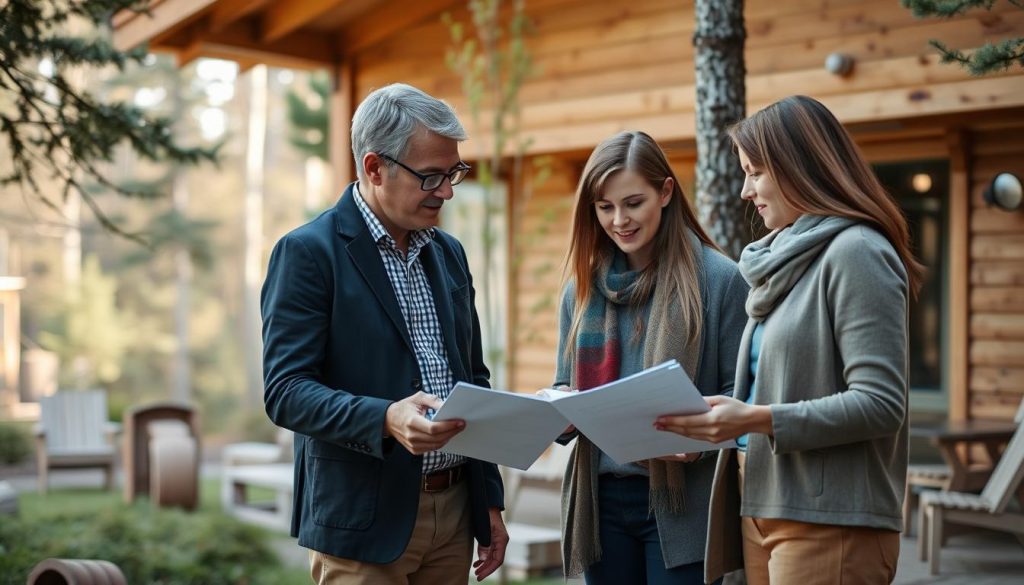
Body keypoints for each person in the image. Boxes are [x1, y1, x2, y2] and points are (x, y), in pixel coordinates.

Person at [654, 95, 923, 585]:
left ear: (801, 166)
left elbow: (882, 404)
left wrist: (756, 418)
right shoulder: (783, 262)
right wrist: (725, 415)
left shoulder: (857, 252)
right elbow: (779, 385)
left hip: (830, 519)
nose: (744, 190)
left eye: (755, 172)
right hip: (761, 507)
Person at [261, 83, 507, 585]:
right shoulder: (308, 253)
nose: (447, 191)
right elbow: (285, 393)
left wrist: (489, 503)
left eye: (453, 172)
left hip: (456, 513)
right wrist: (386, 418)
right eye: (432, 176)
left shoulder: (450, 253)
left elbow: (472, 380)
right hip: (363, 522)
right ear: (375, 168)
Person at [554, 130, 749, 584]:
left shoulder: (720, 280)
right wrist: (559, 406)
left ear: (665, 192)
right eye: (605, 208)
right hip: (600, 503)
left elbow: (741, 398)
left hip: (683, 503)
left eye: (633, 203)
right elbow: (567, 384)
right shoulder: (580, 292)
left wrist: (698, 441)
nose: (619, 220)